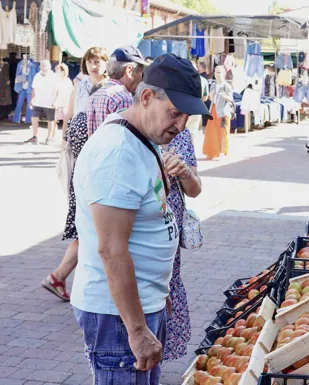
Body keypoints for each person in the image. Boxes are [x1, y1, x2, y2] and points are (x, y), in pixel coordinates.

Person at [71, 54, 209, 385]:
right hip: (117, 316)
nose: (180, 126)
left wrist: (156, 289)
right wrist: (136, 327)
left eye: (186, 117)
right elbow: (111, 249)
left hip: (140, 304)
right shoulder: (118, 152)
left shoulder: (142, 135)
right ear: (146, 97)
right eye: (174, 113)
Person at [41, 47, 109, 301]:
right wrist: (63, 148)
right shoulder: (79, 85)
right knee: (90, 227)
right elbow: (69, 117)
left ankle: (59, 277)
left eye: (98, 61)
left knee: (90, 228)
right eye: (90, 61)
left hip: (97, 162)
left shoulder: (110, 88)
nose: (94, 65)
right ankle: (62, 277)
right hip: (82, 164)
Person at [162, 119, 202, 361]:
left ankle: (159, 356)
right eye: (176, 112)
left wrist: (184, 172)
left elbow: (195, 189)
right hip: (142, 227)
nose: (180, 121)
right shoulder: (132, 134)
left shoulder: (183, 135)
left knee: (168, 283)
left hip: (171, 227)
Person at [86, 45, 147, 136]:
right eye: (141, 72)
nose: (141, 77)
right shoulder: (123, 98)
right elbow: (126, 137)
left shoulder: (95, 95)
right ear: (129, 70)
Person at [24, 60, 59, 145]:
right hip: (38, 102)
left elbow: (58, 90)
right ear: (40, 67)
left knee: (51, 120)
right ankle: (35, 137)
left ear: (50, 67)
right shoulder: (37, 76)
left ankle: (49, 138)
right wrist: (32, 99)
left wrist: (56, 101)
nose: (44, 68)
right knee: (34, 118)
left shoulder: (54, 76)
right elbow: (34, 88)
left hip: (50, 102)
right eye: (42, 66)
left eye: (45, 66)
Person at [202, 65, 230, 160]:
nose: (217, 75)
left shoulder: (227, 86)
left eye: (219, 72)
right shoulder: (213, 85)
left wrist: (224, 96)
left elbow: (231, 99)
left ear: (224, 73)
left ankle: (222, 152)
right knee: (211, 131)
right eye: (216, 72)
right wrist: (211, 95)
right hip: (213, 110)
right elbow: (210, 97)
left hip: (222, 111)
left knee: (222, 132)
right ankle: (211, 152)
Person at [53, 63, 74, 129]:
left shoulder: (68, 82)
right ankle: (51, 137)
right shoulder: (55, 81)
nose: (55, 72)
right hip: (56, 105)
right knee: (53, 121)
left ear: (62, 72)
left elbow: (70, 94)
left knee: (66, 122)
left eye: (57, 71)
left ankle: (64, 138)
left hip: (65, 105)